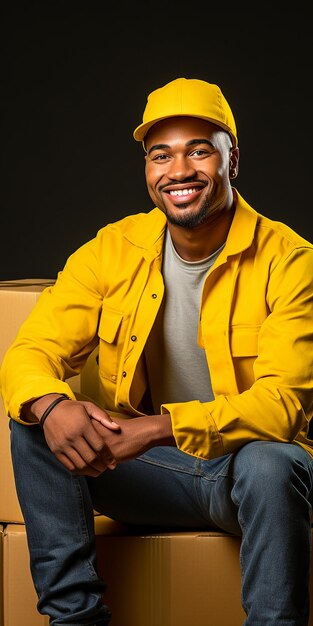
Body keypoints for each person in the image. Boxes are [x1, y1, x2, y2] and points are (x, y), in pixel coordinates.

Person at [1, 76, 313, 626]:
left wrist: (157, 427)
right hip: (149, 474)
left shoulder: (291, 262)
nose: (179, 171)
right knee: (34, 420)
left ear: (231, 160)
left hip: (253, 483)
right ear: (147, 169)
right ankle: (75, 619)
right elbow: (31, 350)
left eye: (200, 151)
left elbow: (283, 406)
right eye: (160, 155)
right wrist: (52, 405)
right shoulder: (112, 249)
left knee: (271, 461)